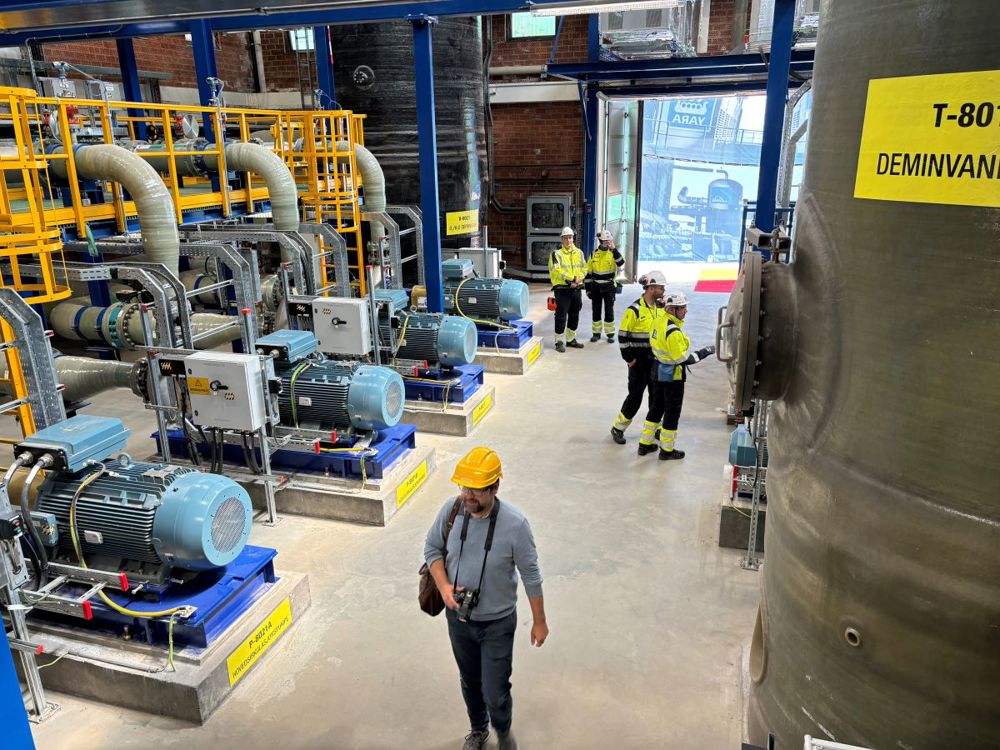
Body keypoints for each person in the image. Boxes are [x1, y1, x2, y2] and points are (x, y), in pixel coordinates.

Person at [424, 447, 547, 750]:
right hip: (459, 619)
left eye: (476, 490)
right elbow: (432, 550)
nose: (468, 496)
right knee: (469, 680)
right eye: (464, 487)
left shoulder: (515, 525)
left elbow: (531, 575)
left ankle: (502, 726)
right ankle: (478, 729)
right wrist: (443, 587)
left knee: (495, 690)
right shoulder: (451, 511)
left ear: (495, 487)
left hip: (497, 623)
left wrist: (539, 622)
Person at [638, 290, 716, 460]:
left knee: (656, 408)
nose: (686, 311)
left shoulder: (658, 321)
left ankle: (644, 444)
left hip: (657, 371)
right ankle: (666, 451)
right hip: (672, 376)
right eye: (682, 308)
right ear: (672, 310)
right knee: (671, 413)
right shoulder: (672, 332)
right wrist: (705, 352)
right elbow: (683, 359)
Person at [610, 270, 667, 444]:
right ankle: (618, 428)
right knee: (635, 396)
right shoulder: (634, 310)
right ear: (651, 288)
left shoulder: (660, 308)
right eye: (661, 287)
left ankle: (656, 428)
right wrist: (630, 359)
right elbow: (623, 336)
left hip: (655, 361)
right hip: (639, 362)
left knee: (656, 396)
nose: (663, 290)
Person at [548, 226, 586, 353]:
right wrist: (572, 279)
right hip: (562, 289)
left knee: (575, 313)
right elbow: (557, 270)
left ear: (573, 239)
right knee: (561, 315)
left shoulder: (579, 253)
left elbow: (584, 268)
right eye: (565, 238)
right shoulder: (556, 254)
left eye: (570, 238)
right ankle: (559, 341)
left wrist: (578, 279)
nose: (568, 240)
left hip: (576, 288)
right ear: (561, 240)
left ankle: (570, 340)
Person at [585, 229, 626, 343]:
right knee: (596, 310)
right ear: (600, 241)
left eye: (609, 241)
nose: (607, 244)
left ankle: (610, 334)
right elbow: (588, 272)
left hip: (609, 287)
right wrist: (588, 289)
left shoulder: (613, 253)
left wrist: (614, 249)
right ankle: (596, 333)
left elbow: (621, 263)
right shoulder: (594, 254)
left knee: (609, 310)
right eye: (605, 242)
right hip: (596, 287)